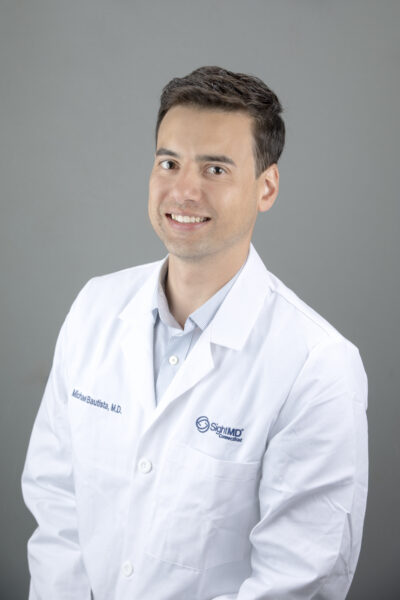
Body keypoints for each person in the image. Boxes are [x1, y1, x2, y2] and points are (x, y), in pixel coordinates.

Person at [21, 66, 368, 600]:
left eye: (215, 169)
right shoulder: (95, 307)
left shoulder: (316, 365)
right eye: (169, 163)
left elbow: (297, 577)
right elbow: (56, 501)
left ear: (266, 187)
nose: (183, 190)